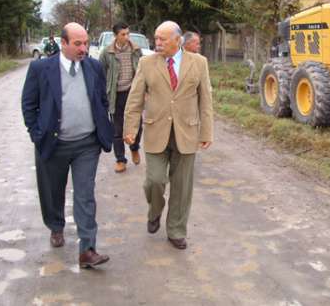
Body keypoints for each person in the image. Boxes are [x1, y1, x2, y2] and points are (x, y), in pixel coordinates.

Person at [21, 22, 113, 269]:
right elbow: (29, 105)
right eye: (77, 44)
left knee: (85, 195)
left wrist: (103, 124)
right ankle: (56, 226)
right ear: (63, 44)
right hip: (54, 144)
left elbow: (102, 100)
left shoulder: (93, 66)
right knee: (53, 191)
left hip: (87, 145)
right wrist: (36, 134)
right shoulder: (41, 68)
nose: (84, 48)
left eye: (86, 43)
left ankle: (87, 249)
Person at [123, 21, 213, 250]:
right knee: (154, 181)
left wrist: (206, 131)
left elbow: (205, 100)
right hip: (156, 131)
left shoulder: (199, 63)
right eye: (156, 38)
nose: (157, 43)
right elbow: (134, 100)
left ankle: (176, 230)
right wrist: (130, 129)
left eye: (162, 39)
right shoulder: (146, 62)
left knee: (182, 187)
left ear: (178, 40)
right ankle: (154, 211)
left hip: (187, 132)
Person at [99, 21, 143, 173]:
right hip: (115, 95)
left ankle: (134, 147)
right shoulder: (107, 53)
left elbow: (142, 71)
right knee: (117, 129)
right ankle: (120, 159)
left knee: (137, 124)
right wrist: (104, 91)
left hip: (133, 93)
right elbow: (101, 73)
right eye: (123, 34)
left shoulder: (136, 50)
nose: (127, 36)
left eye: (128, 33)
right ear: (116, 36)